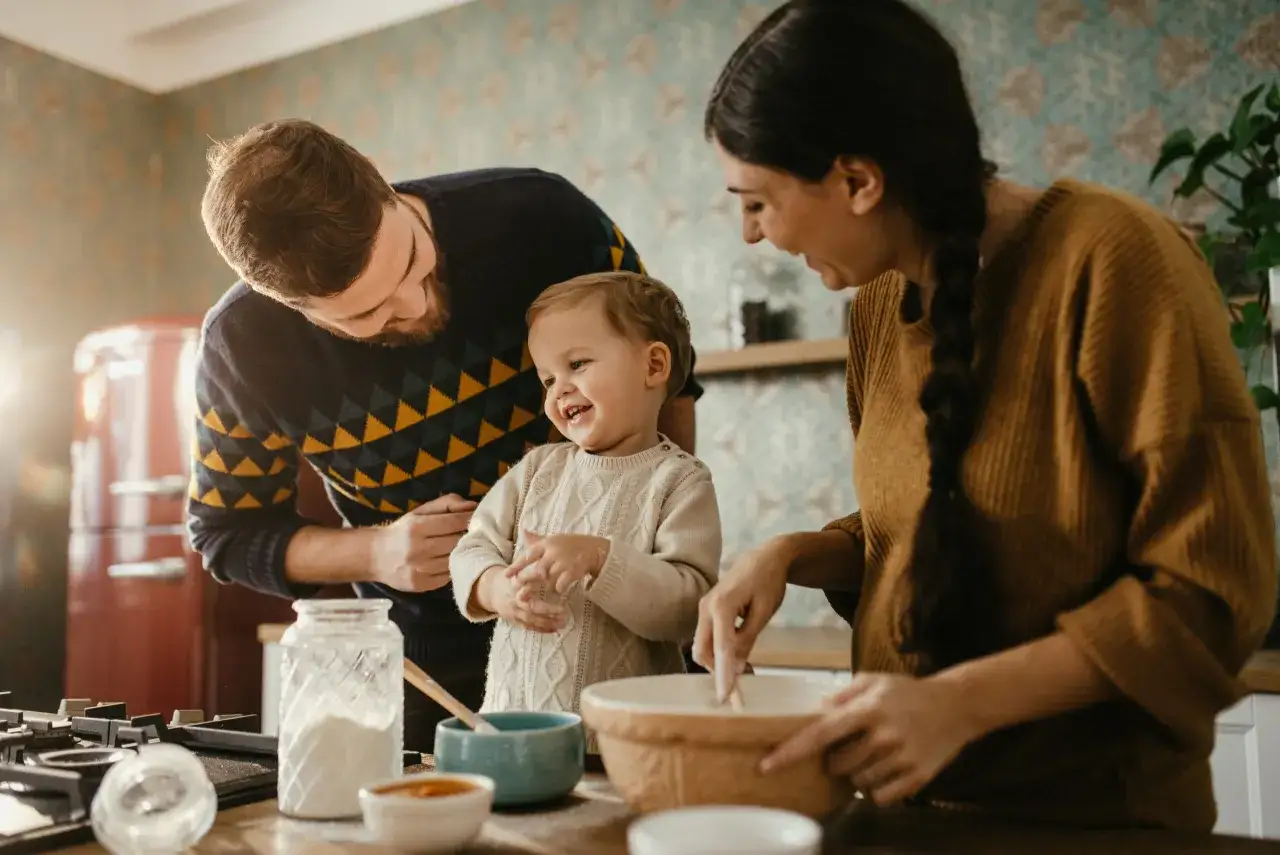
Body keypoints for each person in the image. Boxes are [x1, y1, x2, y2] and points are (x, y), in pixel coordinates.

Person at [691, 0, 1277, 833]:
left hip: (1097, 826)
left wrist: (959, 704)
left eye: (756, 201)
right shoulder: (878, 308)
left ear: (858, 181)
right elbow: (937, 529)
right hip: (911, 817)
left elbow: (1210, 591)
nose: (750, 235)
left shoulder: (1115, 261)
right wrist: (787, 555)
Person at [186, 120, 703, 751]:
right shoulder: (242, 346)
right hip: (433, 655)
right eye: (366, 313)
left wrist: (667, 555)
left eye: (411, 259)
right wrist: (376, 552)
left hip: (620, 606)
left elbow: (669, 377)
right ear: (292, 308)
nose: (413, 304)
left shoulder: (544, 217)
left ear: (382, 184)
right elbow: (227, 534)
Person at [450, 271, 721, 749]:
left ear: (654, 365)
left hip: (620, 747)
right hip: (509, 733)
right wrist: (493, 588)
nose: (559, 390)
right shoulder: (536, 470)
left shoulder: (680, 481)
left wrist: (601, 558)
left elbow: (687, 609)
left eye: (577, 364)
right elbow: (472, 547)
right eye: (548, 379)